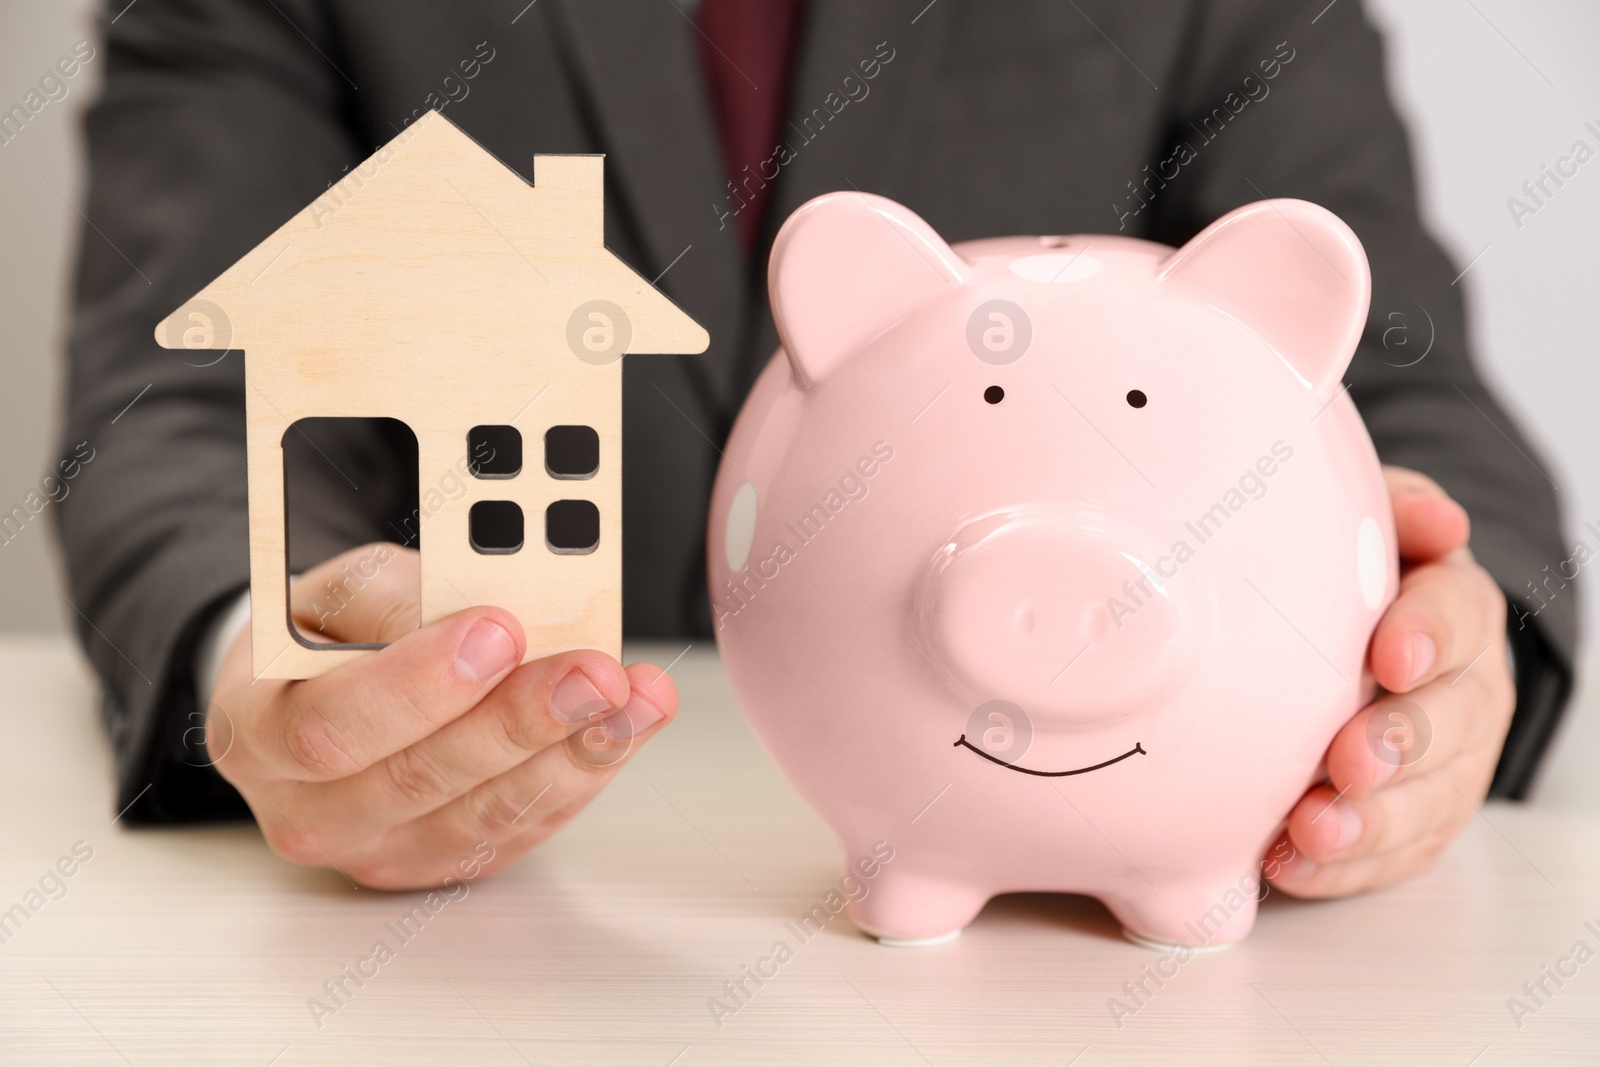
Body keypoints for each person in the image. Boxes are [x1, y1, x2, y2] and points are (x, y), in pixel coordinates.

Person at [56, 0, 1574, 899]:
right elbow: (181, 397)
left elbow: (1403, 395)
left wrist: (1450, 650)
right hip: (537, 899)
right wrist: (278, 658)